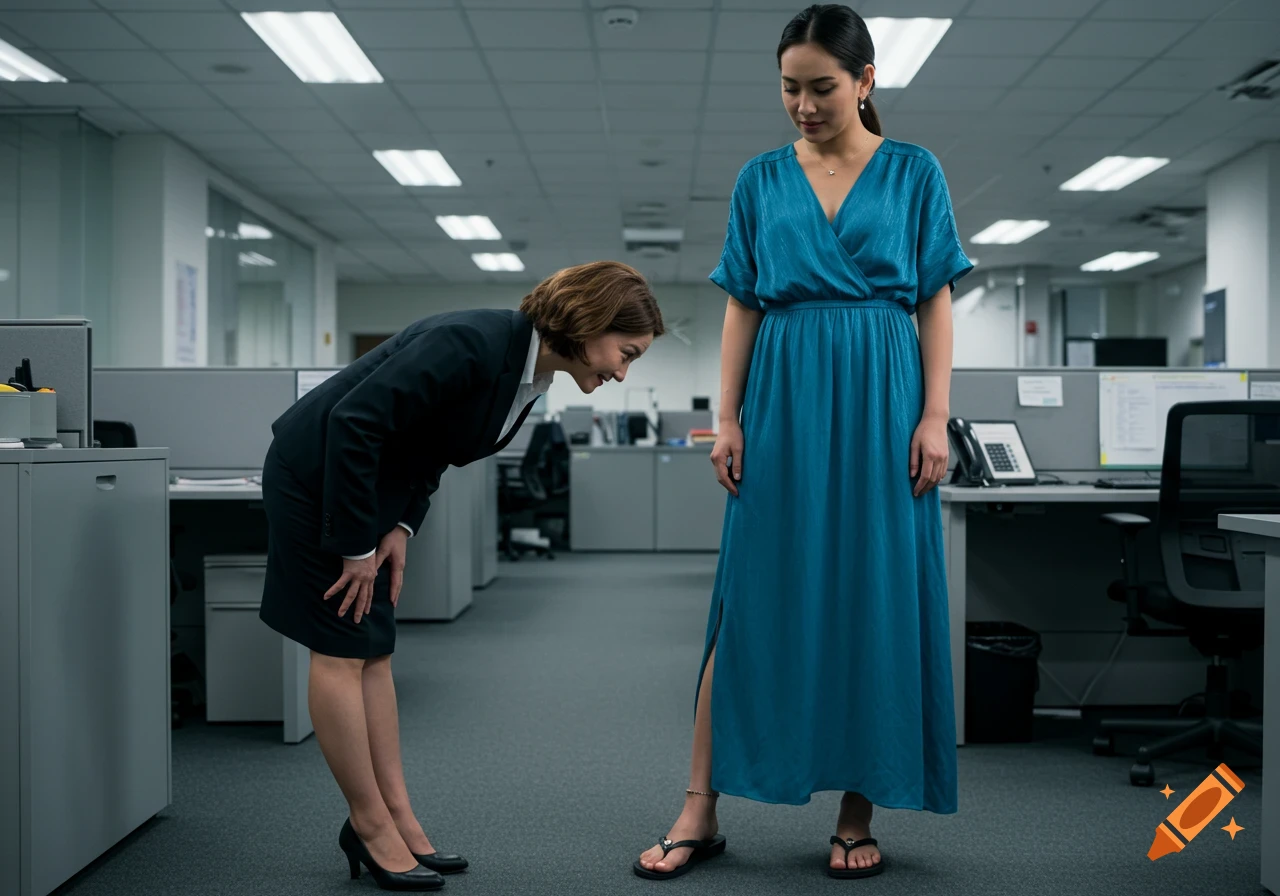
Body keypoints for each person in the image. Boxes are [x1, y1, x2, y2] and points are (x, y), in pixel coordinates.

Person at [634, 4, 971, 883]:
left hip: (885, 395)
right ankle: (700, 806)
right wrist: (729, 415)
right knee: (751, 599)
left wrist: (935, 415)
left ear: (864, 82)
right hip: (786, 395)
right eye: (790, 88)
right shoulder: (760, 178)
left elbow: (934, 296)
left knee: (876, 597)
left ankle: (857, 810)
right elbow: (742, 300)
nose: (804, 105)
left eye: (822, 87)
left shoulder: (913, 172)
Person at [259, 260, 664, 891]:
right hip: (316, 483)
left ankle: (397, 816)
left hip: (372, 499)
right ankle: (368, 825)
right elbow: (355, 421)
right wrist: (355, 544)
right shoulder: (473, 341)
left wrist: (401, 527)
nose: (621, 370)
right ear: (589, 323)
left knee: (376, 654)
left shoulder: (527, 378)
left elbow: (431, 447)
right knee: (340, 649)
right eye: (625, 352)